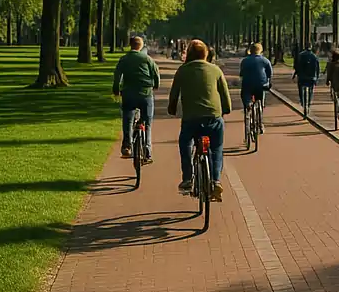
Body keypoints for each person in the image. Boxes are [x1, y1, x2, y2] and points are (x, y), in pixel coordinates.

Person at [167, 38, 231, 199]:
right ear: (206, 54)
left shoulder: (182, 70)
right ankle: (216, 181)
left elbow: (174, 94)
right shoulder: (216, 70)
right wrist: (226, 109)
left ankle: (188, 177)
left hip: (191, 119)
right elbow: (225, 95)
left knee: (185, 143)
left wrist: (172, 109)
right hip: (213, 117)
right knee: (216, 148)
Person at [112, 35, 162, 160]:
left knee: (127, 119)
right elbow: (156, 74)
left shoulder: (124, 59)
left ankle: (127, 146)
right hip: (145, 93)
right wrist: (155, 86)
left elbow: (117, 75)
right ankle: (147, 150)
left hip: (128, 93)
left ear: (130, 45)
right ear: (141, 46)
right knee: (147, 122)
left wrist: (116, 90)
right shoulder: (147, 59)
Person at [239, 43, 272, 133]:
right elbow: (269, 74)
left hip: (248, 84)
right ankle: (260, 124)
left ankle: (248, 104)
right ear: (260, 50)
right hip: (261, 85)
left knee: (245, 94)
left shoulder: (245, 61)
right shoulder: (265, 61)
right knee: (260, 100)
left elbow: (241, 73)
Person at [293, 42, 320, 112]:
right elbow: (318, 68)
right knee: (311, 90)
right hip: (312, 78)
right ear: (311, 47)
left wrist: (296, 73)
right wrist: (317, 78)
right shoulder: (314, 56)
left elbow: (296, 66)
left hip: (302, 77)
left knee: (300, 87)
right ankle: (309, 103)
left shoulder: (300, 55)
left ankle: (302, 102)